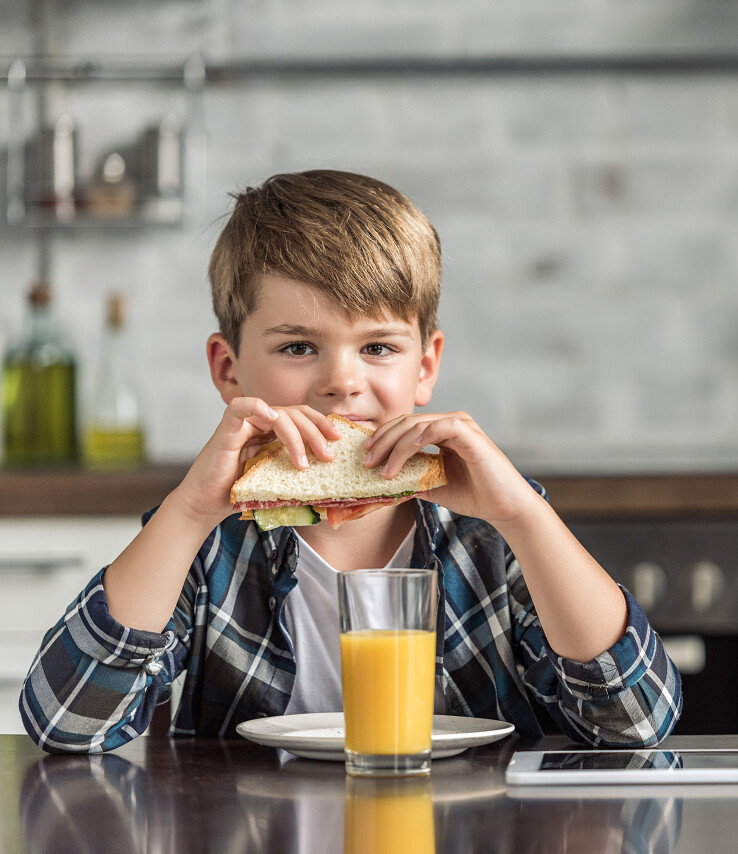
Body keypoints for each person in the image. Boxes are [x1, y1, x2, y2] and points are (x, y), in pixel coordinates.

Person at [21, 170, 682, 753]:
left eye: (377, 348)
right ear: (228, 370)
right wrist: (188, 511)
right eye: (299, 347)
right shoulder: (208, 538)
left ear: (425, 367)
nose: (342, 382)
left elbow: (636, 723)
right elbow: (65, 724)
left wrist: (525, 516)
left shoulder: (492, 531)